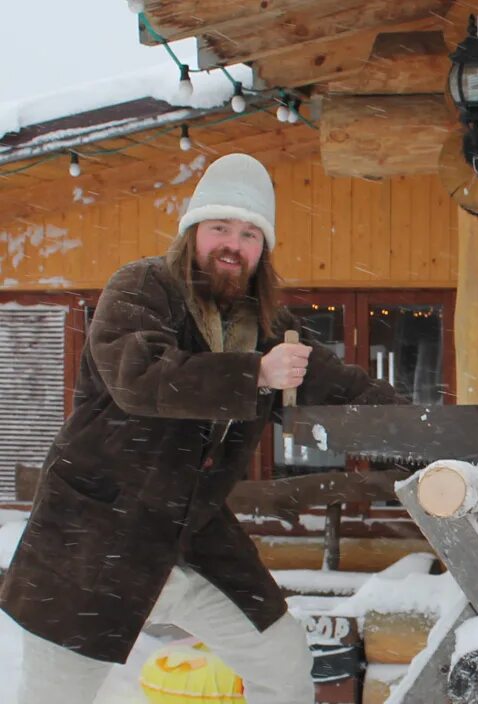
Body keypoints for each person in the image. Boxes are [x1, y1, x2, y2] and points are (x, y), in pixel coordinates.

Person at [0, 153, 402, 703]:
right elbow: (141, 379)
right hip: (94, 538)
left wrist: (441, 445)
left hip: (193, 536)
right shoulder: (140, 289)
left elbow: (349, 394)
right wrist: (254, 374)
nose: (232, 245)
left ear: (263, 251)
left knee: (281, 660)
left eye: (249, 234)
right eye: (219, 228)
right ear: (192, 232)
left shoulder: (272, 328)